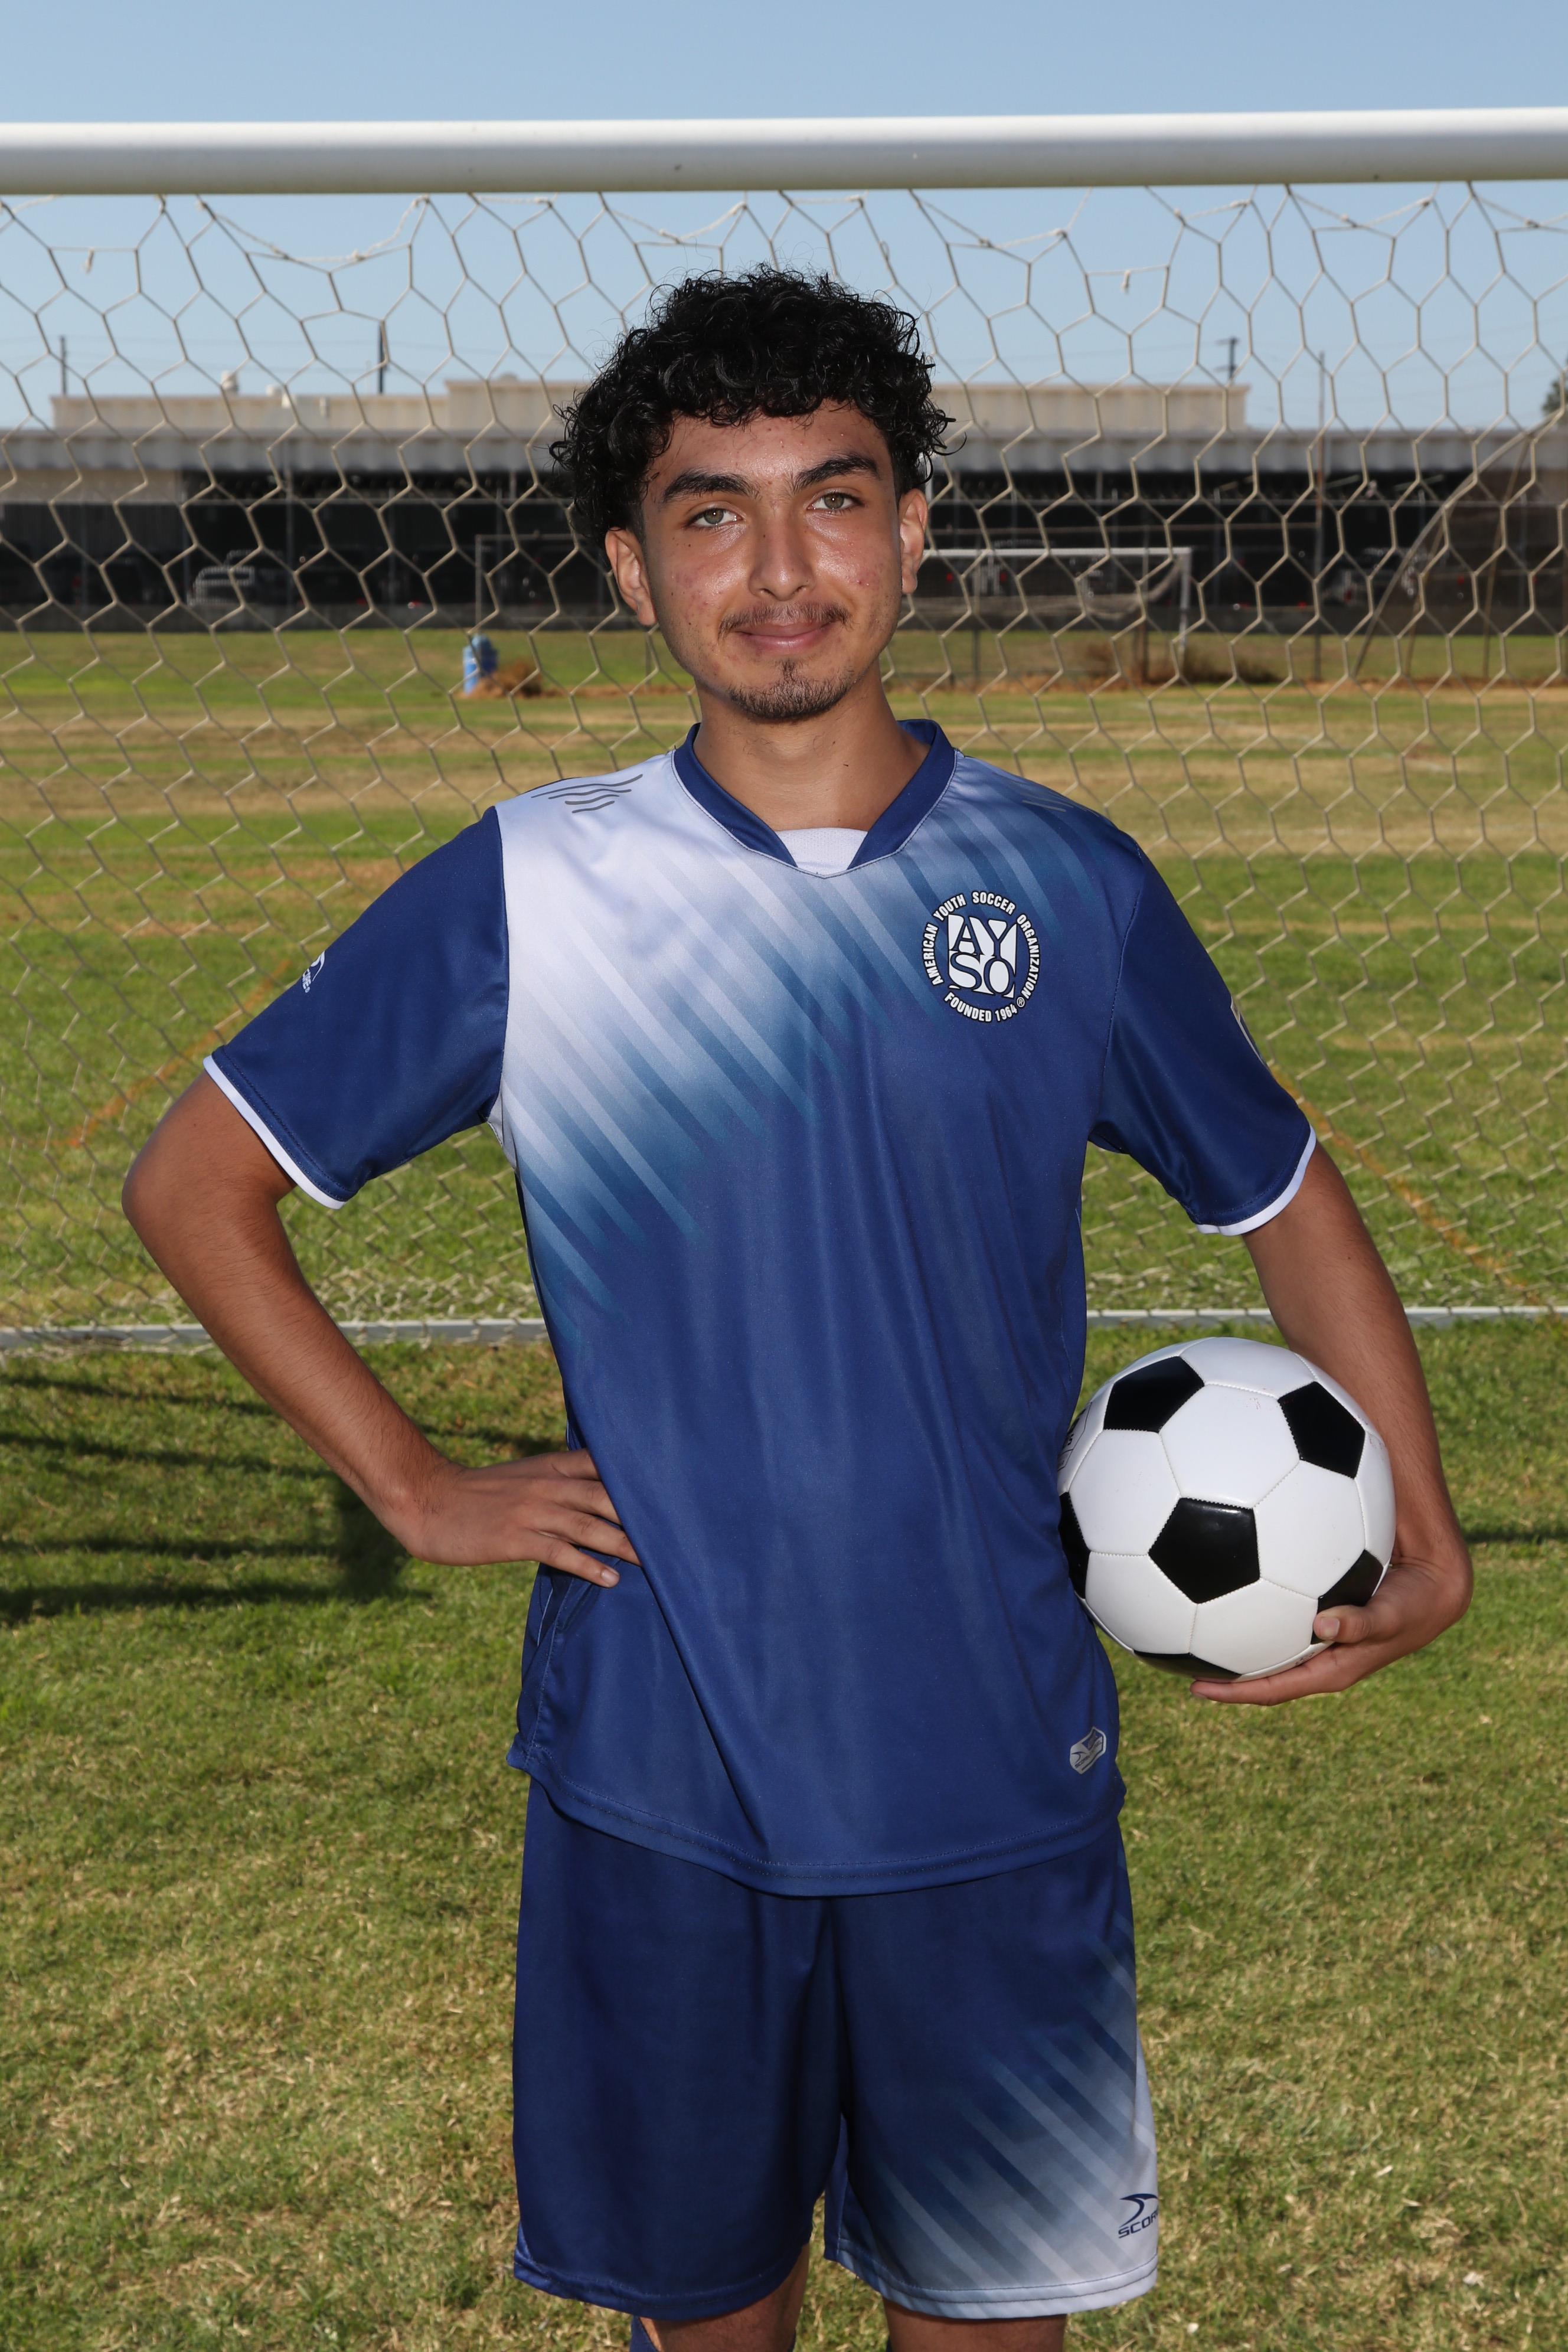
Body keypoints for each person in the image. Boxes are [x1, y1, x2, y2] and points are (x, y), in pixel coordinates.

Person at [122, 269, 1472, 2352]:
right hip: (665, 1775)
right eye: (711, 513)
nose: (778, 571)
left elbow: (1283, 1191)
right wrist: (411, 1484)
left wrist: (1427, 1526)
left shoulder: (1069, 883)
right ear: (630, 568)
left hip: (989, 1773)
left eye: (831, 501)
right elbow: (194, 1184)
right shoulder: (535, 888)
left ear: (911, 530)